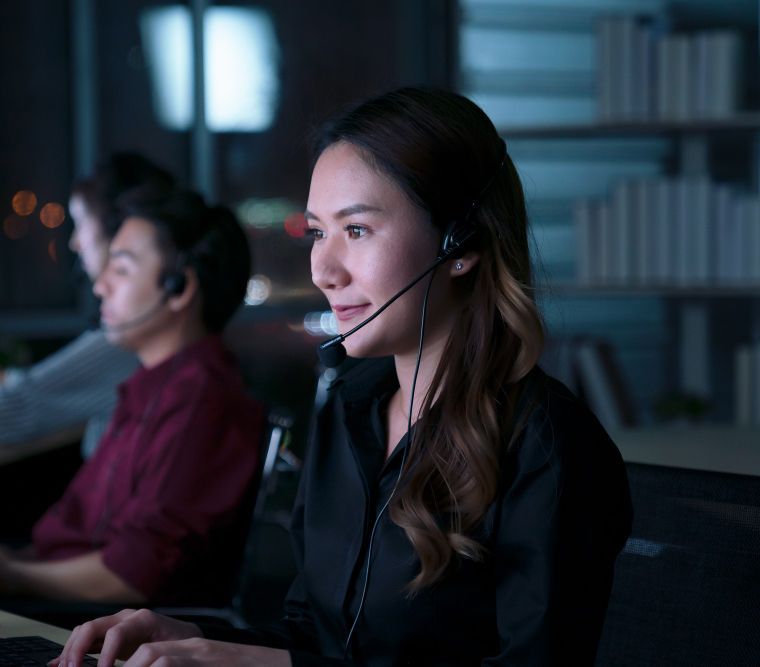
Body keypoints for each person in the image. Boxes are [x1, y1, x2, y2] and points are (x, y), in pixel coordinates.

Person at [50, 87, 633, 667]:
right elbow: (316, 642)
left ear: (462, 242)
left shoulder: (549, 447)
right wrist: (190, 641)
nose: (323, 271)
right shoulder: (349, 410)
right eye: (317, 232)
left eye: (356, 230)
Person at [0, 189, 265, 608]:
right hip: (54, 585)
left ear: (179, 287)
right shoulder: (154, 386)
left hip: (88, 617)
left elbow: (131, 576)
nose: (100, 287)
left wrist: (8, 576)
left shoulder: (200, 404)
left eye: (121, 269)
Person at [0, 153, 174, 458]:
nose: (74, 244)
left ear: (120, 232)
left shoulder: (135, 338)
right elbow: (39, 389)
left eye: (80, 224)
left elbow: (22, 404)